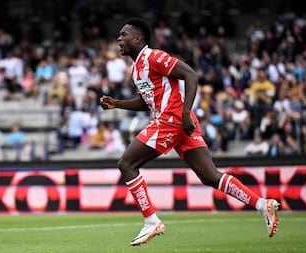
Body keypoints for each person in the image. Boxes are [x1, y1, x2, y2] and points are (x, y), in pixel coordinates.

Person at [100, 18, 279, 246]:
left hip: (172, 119)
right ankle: (263, 205)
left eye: (124, 34)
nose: (119, 38)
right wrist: (117, 103)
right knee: (209, 176)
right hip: (176, 121)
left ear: (137, 39)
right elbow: (149, 102)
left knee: (126, 164)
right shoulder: (136, 69)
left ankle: (151, 221)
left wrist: (185, 113)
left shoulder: (154, 56)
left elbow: (191, 75)